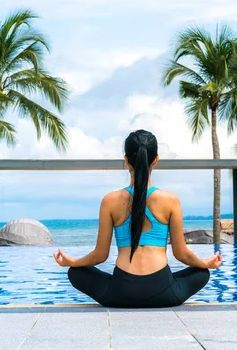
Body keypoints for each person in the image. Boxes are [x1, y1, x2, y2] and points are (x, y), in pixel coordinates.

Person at [53, 129, 223, 308]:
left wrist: (73, 262)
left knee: (76, 273)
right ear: (155, 160)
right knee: (202, 273)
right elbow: (181, 254)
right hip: (163, 292)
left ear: (126, 160)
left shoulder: (110, 200)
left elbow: (100, 256)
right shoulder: (170, 200)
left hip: (120, 293)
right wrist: (205, 263)